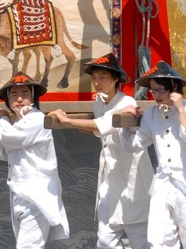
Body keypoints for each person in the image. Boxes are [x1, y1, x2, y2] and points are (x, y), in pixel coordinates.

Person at [119, 61, 186, 249]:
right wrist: (125, 124)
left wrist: (180, 110)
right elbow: (134, 145)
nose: (156, 95)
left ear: (174, 87)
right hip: (162, 184)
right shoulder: (152, 113)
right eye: (152, 90)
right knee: (160, 238)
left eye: (160, 90)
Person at [48, 54, 149, 248]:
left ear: (115, 79)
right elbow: (97, 129)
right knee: (105, 239)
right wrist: (80, 125)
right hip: (109, 175)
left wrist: (67, 120)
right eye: (94, 78)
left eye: (102, 77)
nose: (97, 82)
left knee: (139, 238)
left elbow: (104, 124)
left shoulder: (127, 103)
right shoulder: (99, 103)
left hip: (131, 176)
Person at [0, 72, 69, 246]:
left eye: (24, 94)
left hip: (36, 194)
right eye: (14, 94)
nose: (19, 98)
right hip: (19, 192)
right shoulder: (16, 123)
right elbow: (3, 152)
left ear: (33, 97)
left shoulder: (37, 119)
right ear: (8, 99)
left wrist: (2, 118)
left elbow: (9, 138)